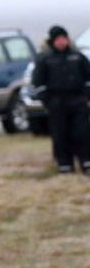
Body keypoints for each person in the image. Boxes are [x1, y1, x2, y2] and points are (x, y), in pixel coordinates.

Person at [32, 25, 90, 175]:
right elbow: (38, 82)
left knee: (82, 133)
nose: (62, 41)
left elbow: (88, 78)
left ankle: (86, 162)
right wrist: (47, 100)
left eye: (64, 38)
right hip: (57, 103)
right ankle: (64, 165)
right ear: (52, 41)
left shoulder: (78, 57)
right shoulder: (45, 59)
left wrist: (86, 95)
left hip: (78, 101)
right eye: (58, 39)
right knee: (60, 134)